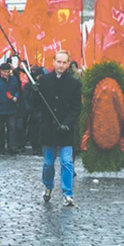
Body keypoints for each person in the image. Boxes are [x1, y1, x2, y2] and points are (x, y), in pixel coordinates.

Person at [35, 51, 82, 206]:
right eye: (59, 62)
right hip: (49, 129)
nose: (61, 65)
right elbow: (35, 104)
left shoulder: (74, 84)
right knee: (48, 163)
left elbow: (76, 108)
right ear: (54, 62)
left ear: (68, 64)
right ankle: (48, 186)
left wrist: (68, 124)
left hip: (65, 130)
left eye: (64, 62)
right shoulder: (44, 81)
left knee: (67, 162)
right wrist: (33, 91)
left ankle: (67, 193)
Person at [0, 62, 21, 155]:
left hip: (11, 107)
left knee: (12, 128)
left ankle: (12, 147)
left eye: (7, 71)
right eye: (4, 71)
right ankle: (1, 147)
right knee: (0, 129)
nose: (5, 74)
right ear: (0, 71)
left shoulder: (14, 80)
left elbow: (17, 90)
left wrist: (16, 96)